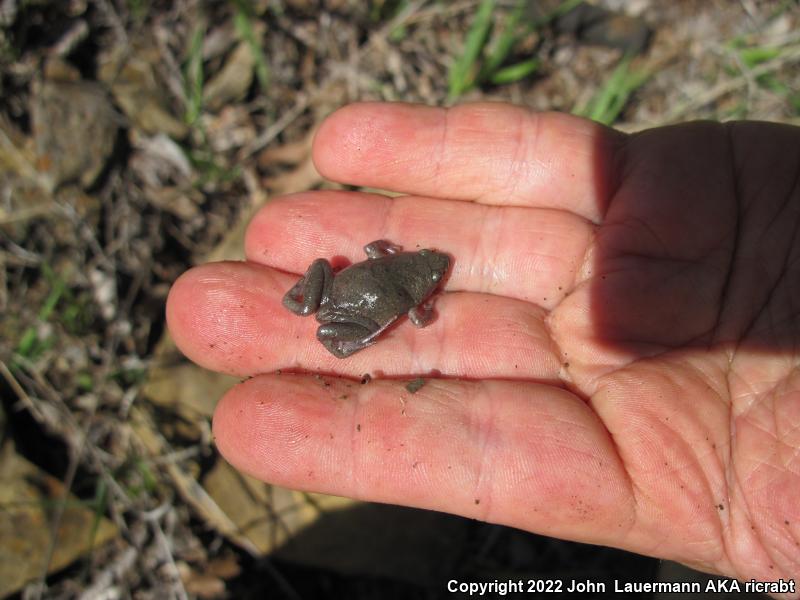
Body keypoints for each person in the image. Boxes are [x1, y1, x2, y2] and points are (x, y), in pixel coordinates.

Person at [166, 102, 800, 591]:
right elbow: (408, 309)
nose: (439, 269)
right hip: (356, 308)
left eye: (434, 271)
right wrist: (415, 300)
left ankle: (314, 308)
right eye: (433, 271)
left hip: (352, 293)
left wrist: (408, 286)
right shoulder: (415, 288)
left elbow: (377, 258)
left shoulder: (404, 268)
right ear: (421, 273)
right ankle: (327, 324)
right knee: (335, 337)